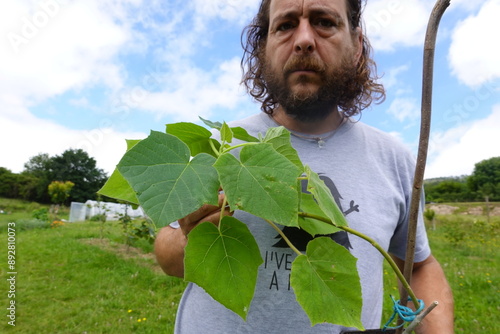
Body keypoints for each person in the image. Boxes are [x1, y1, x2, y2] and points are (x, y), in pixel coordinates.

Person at [154, 0, 454, 333]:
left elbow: (420, 266)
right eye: (285, 25)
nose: (304, 39)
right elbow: (166, 256)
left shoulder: (393, 159)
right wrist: (191, 237)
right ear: (263, 49)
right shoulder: (219, 147)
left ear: (356, 45)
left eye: (324, 21)